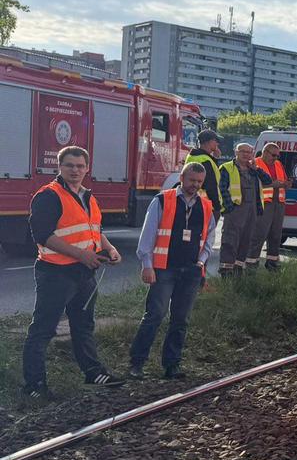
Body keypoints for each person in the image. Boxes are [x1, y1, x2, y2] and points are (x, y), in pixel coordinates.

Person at [22, 146, 125, 398]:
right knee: (43, 329)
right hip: (56, 273)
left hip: (84, 273)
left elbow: (95, 231)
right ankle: (34, 385)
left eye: (80, 166)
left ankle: (93, 373)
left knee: (83, 325)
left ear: (87, 168)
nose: (75, 170)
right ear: (59, 167)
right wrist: (82, 255)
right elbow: (42, 235)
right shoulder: (48, 195)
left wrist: (110, 249)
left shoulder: (88, 196)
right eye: (69, 165)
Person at [128, 163, 215, 379]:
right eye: (192, 180)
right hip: (164, 268)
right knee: (155, 315)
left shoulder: (205, 206)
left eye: (199, 182)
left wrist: (201, 262)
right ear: (182, 178)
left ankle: (172, 365)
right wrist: (147, 265)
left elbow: (209, 238)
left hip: (191, 270)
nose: (195, 185)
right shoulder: (162, 200)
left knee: (181, 319)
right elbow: (148, 235)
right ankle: (136, 363)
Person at [217, 143, 273, 276]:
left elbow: (268, 180)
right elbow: (222, 188)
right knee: (230, 241)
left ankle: (238, 270)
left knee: (246, 241)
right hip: (235, 210)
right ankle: (226, 271)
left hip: (252, 211)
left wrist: (256, 168)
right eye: (243, 151)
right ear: (236, 152)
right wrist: (229, 208)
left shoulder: (253, 170)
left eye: (249, 152)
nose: (246, 154)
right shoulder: (227, 168)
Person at [246, 142, 292, 271]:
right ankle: (251, 264)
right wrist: (274, 185)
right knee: (259, 234)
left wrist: (287, 184)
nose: (275, 158)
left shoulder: (278, 164)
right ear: (265, 152)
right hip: (263, 203)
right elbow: (252, 184)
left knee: (276, 235)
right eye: (273, 155)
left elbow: (283, 180)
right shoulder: (255, 163)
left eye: (277, 156)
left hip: (278, 203)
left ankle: (272, 263)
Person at [185, 129, 228, 228]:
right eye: (216, 141)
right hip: (206, 205)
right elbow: (210, 185)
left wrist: (215, 158)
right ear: (209, 142)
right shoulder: (205, 160)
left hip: (194, 202)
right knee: (205, 233)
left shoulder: (195, 155)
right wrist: (217, 207)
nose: (217, 143)